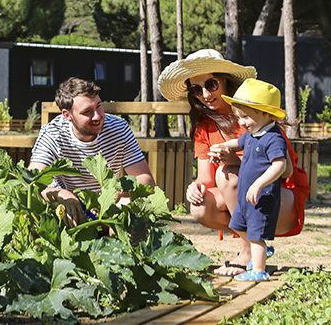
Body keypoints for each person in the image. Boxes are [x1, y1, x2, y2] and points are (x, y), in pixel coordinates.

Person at [157, 49, 310, 276]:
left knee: (226, 173)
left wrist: (237, 162)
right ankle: (258, 248)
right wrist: (195, 186)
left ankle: (248, 252)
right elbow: (206, 178)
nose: (205, 94)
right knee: (200, 206)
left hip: (279, 198)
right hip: (246, 200)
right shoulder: (203, 126)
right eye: (197, 89)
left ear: (226, 82)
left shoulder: (254, 116)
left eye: (211, 84)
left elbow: (285, 171)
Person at [28, 77, 155, 228]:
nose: (97, 116)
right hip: (67, 209)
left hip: (107, 207)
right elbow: (32, 181)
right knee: (30, 210)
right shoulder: (52, 132)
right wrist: (62, 195)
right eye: (87, 112)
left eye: (99, 106)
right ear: (67, 115)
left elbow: (146, 179)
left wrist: (120, 190)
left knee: (132, 211)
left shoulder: (119, 128)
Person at [210, 78, 287, 281]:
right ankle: (262, 250)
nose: (241, 122)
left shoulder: (273, 138)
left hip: (262, 196)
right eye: (239, 117)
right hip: (246, 195)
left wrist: (259, 183)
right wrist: (222, 146)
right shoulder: (252, 133)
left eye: (245, 117)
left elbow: (280, 165)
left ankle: (259, 271)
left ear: (265, 113)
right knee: (237, 226)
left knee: (255, 235)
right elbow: (238, 142)